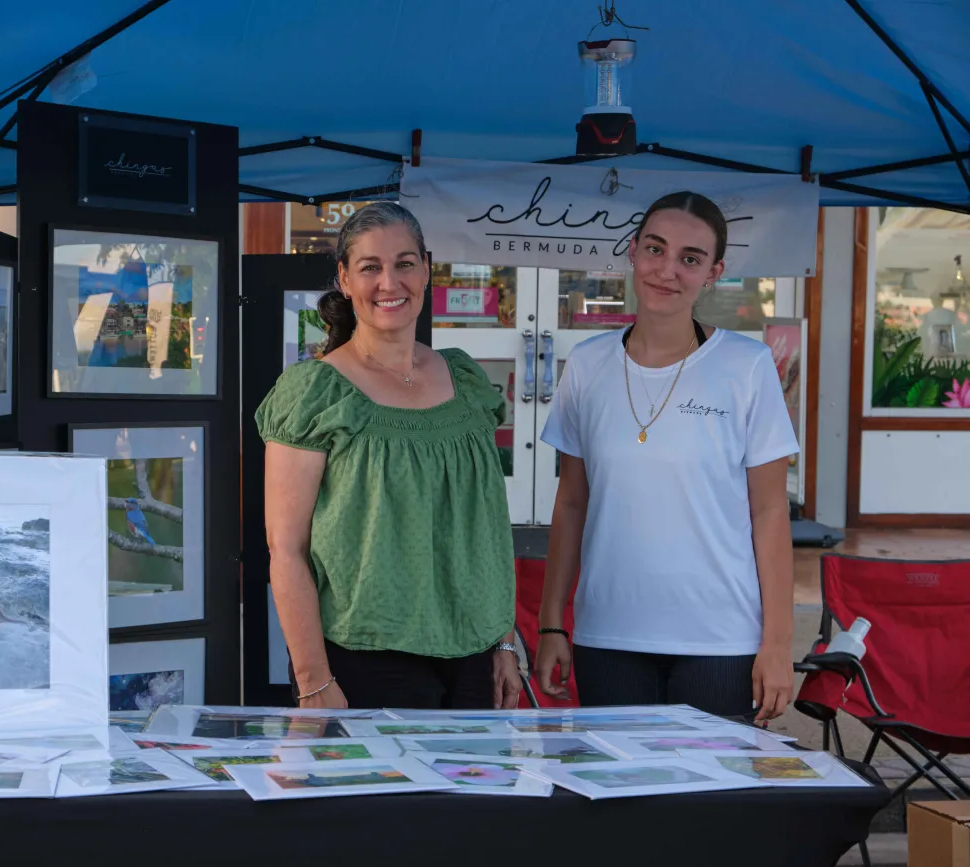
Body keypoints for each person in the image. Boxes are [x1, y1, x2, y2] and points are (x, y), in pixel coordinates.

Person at [534, 191, 798, 724]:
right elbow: (570, 505)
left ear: (713, 272)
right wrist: (550, 624)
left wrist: (777, 643)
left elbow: (769, 514)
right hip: (609, 632)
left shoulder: (746, 367)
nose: (667, 270)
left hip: (720, 638)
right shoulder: (587, 366)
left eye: (690, 258)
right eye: (655, 249)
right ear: (632, 253)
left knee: (709, 805)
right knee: (618, 800)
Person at [255, 201, 522, 711]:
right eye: (370, 267)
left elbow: (483, 530)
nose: (389, 282)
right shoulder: (315, 392)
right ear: (345, 278)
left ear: (425, 268)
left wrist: (504, 641)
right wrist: (313, 679)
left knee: (478, 793)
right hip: (365, 658)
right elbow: (285, 551)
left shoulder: (464, 380)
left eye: (404, 263)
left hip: (476, 653)